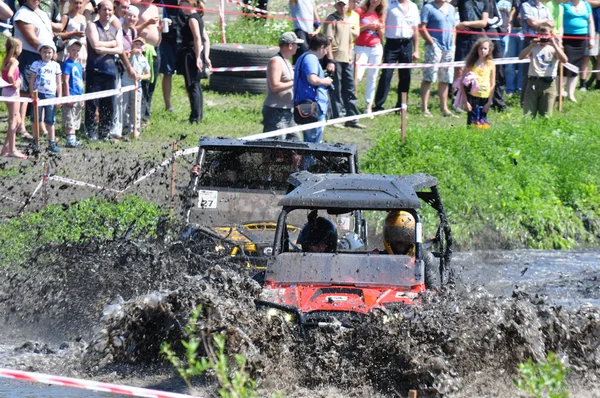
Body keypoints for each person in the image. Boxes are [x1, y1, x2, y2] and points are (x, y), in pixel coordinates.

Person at [13, 0, 54, 139]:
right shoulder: (22, 14)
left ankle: (40, 126)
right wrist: (49, 51)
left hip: (42, 56)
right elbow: (31, 39)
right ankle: (21, 127)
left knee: (39, 91)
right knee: (25, 93)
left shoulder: (42, 13)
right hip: (28, 55)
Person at [84, 0, 123, 141]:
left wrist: (106, 48)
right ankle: (90, 132)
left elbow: (120, 49)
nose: (107, 12)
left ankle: (104, 132)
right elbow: (95, 45)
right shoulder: (92, 26)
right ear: (99, 11)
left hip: (110, 71)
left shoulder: (116, 29)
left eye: (110, 10)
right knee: (92, 103)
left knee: (109, 104)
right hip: (94, 69)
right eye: (104, 9)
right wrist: (113, 45)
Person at [323, 0, 365, 129]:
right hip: (335, 59)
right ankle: (334, 118)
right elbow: (328, 41)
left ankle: (352, 118)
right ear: (336, 5)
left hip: (346, 59)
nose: (341, 7)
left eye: (344, 4)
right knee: (335, 89)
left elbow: (349, 41)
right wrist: (330, 60)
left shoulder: (347, 20)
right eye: (339, 4)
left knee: (350, 88)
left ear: (348, 5)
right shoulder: (331, 19)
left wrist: (350, 54)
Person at [372, 0, 420, 112]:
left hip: (407, 44)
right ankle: (378, 105)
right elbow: (382, 22)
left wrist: (416, 49)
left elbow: (415, 29)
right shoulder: (389, 4)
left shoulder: (413, 7)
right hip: (392, 44)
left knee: (405, 76)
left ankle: (401, 106)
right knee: (386, 75)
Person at [419, 0, 458, 117]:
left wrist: (453, 43)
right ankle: (425, 108)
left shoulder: (451, 8)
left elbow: (454, 27)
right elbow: (422, 27)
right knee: (429, 77)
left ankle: (444, 108)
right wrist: (432, 43)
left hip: (449, 47)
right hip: (434, 46)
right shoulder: (428, 7)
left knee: (445, 78)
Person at [519, 22, 567, 116]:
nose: (543, 37)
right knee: (528, 115)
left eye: (546, 35)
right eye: (541, 34)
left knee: (546, 115)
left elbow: (564, 60)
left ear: (550, 35)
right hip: (533, 81)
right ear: (537, 34)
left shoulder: (553, 48)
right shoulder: (533, 46)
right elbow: (520, 57)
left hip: (548, 83)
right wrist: (532, 45)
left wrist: (555, 44)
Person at [382, 210, 439, 290]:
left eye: (405, 237)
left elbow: (434, 291)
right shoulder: (380, 259)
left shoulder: (425, 258)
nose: (399, 244)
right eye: (395, 237)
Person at [293, 33, 334, 143]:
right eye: (326, 49)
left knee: (310, 140)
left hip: (307, 104)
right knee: (313, 142)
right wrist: (325, 81)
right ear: (321, 48)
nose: (326, 53)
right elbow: (312, 79)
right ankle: (309, 161)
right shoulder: (311, 59)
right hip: (313, 106)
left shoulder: (304, 56)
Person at [262, 31, 303, 138]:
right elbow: (274, 87)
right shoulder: (276, 61)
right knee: (274, 147)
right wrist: (294, 82)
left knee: (295, 145)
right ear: (290, 46)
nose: (297, 47)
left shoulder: (286, 61)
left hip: (288, 110)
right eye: (296, 44)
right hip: (276, 110)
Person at [452, 0, 490, 113]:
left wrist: (466, 24)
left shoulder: (485, 2)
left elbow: (484, 22)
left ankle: (471, 99)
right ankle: (455, 100)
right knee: (459, 69)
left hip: (478, 39)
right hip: (462, 38)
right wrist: (456, 25)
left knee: (475, 71)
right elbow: (449, 6)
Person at [177, 0, 210, 124]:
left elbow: (198, 38)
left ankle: (195, 117)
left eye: (182, 3)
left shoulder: (192, 18)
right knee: (196, 84)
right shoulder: (198, 17)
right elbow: (206, 39)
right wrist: (206, 56)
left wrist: (197, 57)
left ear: (188, 3)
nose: (180, 6)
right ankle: (198, 115)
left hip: (190, 54)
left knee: (192, 85)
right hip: (195, 54)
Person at [132, 0, 162, 127]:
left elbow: (154, 28)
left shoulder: (154, 8)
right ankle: (139, 116)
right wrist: (147, 23)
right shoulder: (136, 7)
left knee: (152, 83)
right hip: (143, 50)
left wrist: (160, 26)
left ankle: (146, 115)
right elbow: (132, 30)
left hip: (156, 49)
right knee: (143, 84)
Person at [354, 0, 386, 117]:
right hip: (360, 48)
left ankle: (368, 106)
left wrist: (379, 28)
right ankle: (352, 104)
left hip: (376, 48)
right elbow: (355, 29)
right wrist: (367, 26)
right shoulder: (360, 11)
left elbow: (383, 34)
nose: (375, 1)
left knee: (372, 78)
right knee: (357, 76)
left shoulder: (380, 14)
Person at [29, 41, 62, 153]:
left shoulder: (56, 66)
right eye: (44, 52)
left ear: (53, 53)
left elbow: (58, 82)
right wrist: (32, 94)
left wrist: (59, 97)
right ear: (40, 52)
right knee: (35, 119)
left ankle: (52, 142)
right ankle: (35, 141)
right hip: (38, 95)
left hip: (51, 95)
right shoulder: (35, 64)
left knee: (50, 119)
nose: (47, 54)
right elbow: (32, 79)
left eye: (49, 52)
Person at [519, 0, 553, 105]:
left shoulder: (545, 7)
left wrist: (539, 23)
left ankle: (540, 96)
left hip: (545, 42)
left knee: (542, 69)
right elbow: (531, 22)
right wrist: (545, 21)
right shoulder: (525, 5)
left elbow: (552, 24)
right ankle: (524, 100)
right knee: (527, 72)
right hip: (531, 41)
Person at [561, 0, 595, 102]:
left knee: (576, 66)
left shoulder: (586, 4)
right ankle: (561, 91)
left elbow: (590, 21)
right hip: (567, 37)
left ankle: (571, 94)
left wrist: (592, 38)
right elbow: (560, 21)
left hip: (582, 37)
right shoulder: (564, 4)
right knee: (566, 64)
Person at [459, 38, 496, 127]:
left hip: (485, 96)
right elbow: (462, 83)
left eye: (485, 48)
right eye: (481, 48)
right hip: (473, 96)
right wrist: (466, 101)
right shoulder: (471, 64)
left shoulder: (491, 64)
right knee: (471, 123)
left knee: (482, 123)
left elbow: (493, 83)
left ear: (489, 50)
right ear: (477, 49)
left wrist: (489, 102)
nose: (483, 51)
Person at [1, 37, 27, 160]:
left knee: (17, 120)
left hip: (6, 92)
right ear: (17, 49)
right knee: (13, 120)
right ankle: (13, 149)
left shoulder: (6, 60)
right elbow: (10, 75)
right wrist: (15, 82)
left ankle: (6, 147)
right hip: (12, 92)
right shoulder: (14, 61)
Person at [122, 36, 150, 134]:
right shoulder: (129, 55)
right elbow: (127, 57)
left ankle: (135, 129)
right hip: (125, 84)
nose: (138, 47)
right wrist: (133, 52)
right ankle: (124, 128)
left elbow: (148, 74)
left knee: (136, 108)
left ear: (144, 48)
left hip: (137, 86)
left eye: (140, 45)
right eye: (136, 44)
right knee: (124, 107)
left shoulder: (144, 60)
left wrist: (141, 77)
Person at [61, 39, 84, 147]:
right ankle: (70, 138)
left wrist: (82, 96)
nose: (75, 53)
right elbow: (65, 80)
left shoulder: (79, 65)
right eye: (73, 50)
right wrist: (67, 95)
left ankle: (73, 137)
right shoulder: (67, 64)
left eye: (77, 50)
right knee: (69, 116)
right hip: (71, 94)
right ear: (69, 50)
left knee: (76, 116)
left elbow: (80, 81)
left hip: (79, 95)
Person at [159, 0, 180, 112]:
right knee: (168, 72)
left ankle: (194, 104)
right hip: (167, 38)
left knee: (189, 74)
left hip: (182, 36)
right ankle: (168, 105)